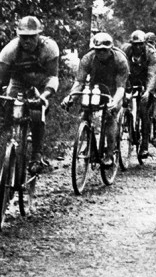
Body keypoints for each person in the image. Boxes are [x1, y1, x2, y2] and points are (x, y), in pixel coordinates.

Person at [0, 16, 60, 174]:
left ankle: (36, 155)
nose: (27, 41)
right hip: (19, 81)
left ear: (39, 35)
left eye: (31, 37)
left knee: (37, 112)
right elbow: (2, 78)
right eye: (23, 37)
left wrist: (44, 95)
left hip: (41, 82)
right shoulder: (9, 51)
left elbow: (53, 77)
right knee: (8, 107)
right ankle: (7, 145)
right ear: (18, 36)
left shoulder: (50, 48)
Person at [62, 32, 129, 167]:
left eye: (104, 50)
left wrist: (114, 102)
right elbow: (79, 82)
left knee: (111, 116)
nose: (101, 53)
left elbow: (121, 87)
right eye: (98, 50)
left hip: (113, 90)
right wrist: (70, 97)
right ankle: (90, 146)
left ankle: (109, 154)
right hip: (95, 89)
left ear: (110, 49)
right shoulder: (88, 58)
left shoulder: (120, 60)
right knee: (85, 113)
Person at [122, 30, 156, 159]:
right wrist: (124, 88)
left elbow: (152, 73)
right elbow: (122, 70)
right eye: (135, 44)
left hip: (146, 81)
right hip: (131, 79)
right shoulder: (125, 51)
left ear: (144, 44)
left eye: (140, 44)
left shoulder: (151, 53)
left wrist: (148, 91)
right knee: (123, 103)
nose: (137, 47)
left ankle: (144, 146)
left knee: (144, 111)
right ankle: (125, 124)